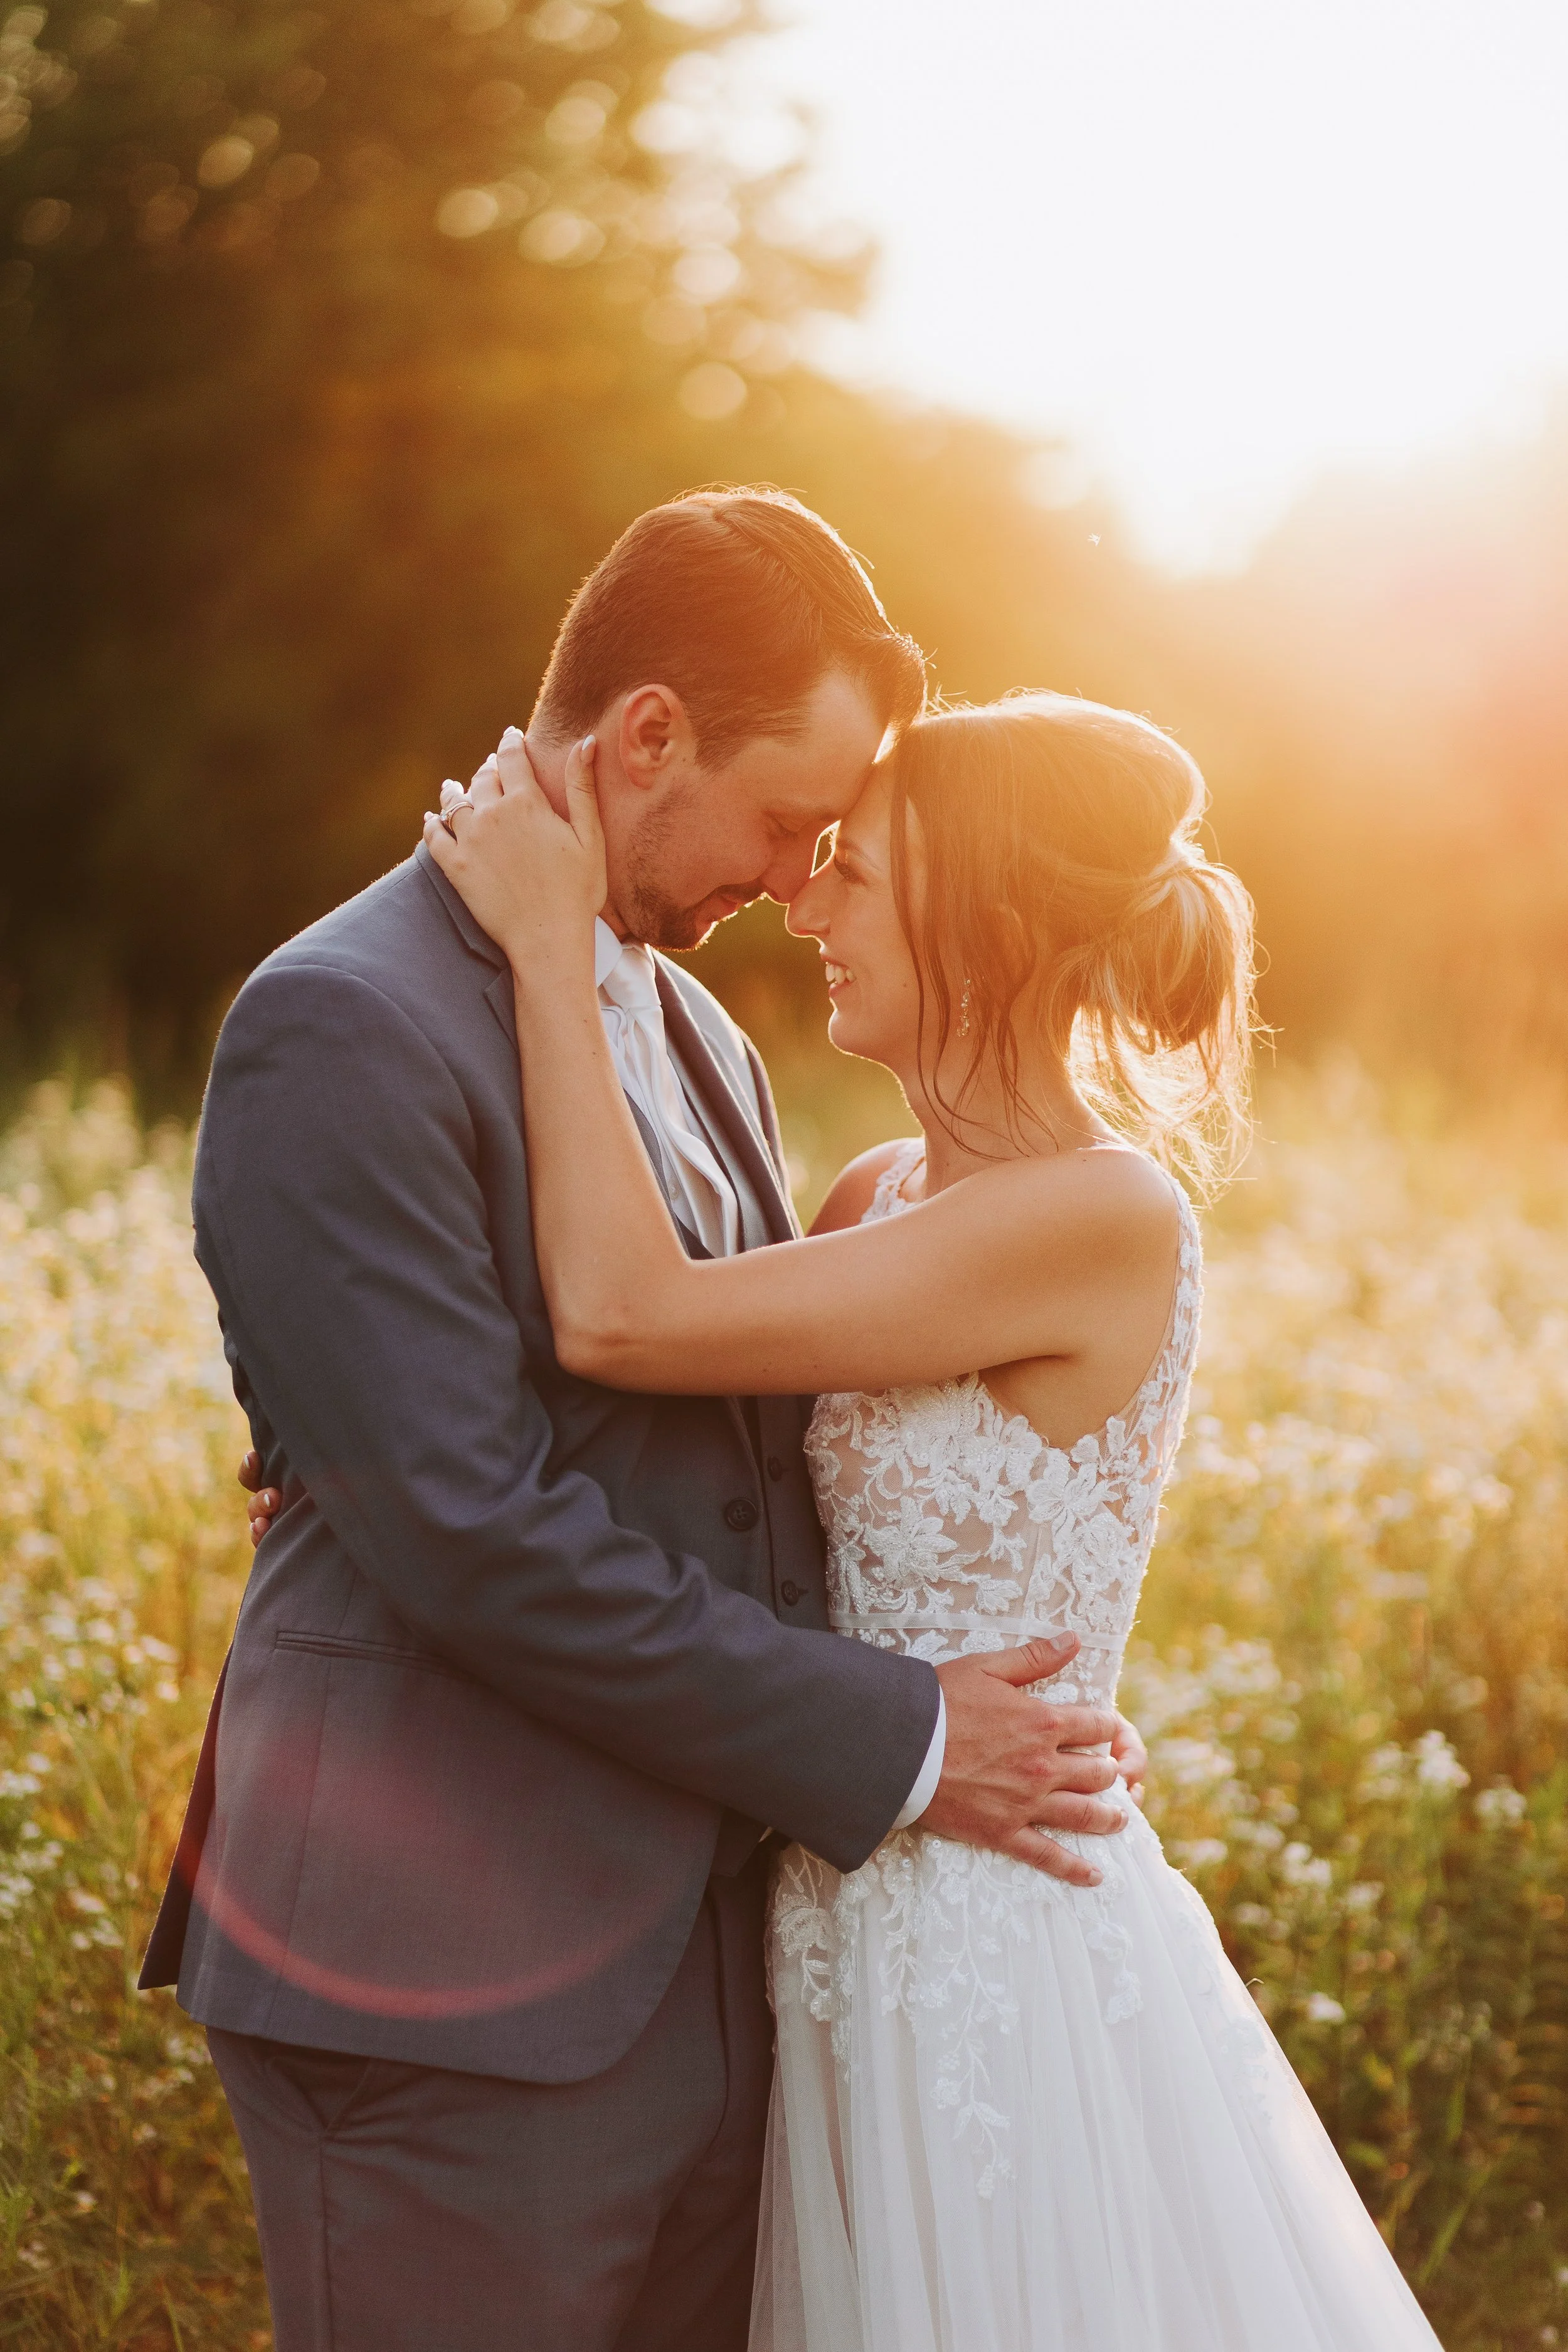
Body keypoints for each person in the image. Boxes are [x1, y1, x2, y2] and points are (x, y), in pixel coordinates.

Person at [144, 489, 1143, 2352]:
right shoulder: (338, 1020)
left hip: (718, 1972)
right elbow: (466, 1526)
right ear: (649, 735)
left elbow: (741, 1457)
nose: (790, 875)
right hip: (442, 1982)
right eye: (782, 816)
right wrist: (905, 1734)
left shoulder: (701, 1039)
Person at [420, 693, 1448, 2351]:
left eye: (858, 870)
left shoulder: (1100, 1215)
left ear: (984, 910)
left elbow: (622, 1312)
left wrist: (546, 944)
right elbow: (672, 1444)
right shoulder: (872, 1198)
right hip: (832, 1913)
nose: (805, 904)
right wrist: (367, 1441)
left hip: (996, 1936)